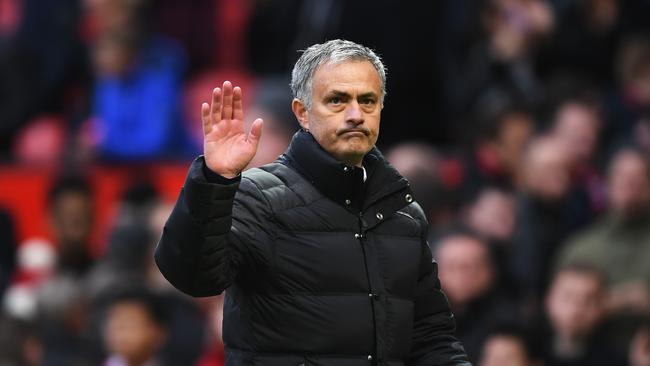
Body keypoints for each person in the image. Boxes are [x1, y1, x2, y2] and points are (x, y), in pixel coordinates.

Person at [155, 39, 470, 365]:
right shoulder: (256, 197)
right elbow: (192, 277)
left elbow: (432, 339)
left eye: (368, 101)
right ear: (302, 113)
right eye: (337, 100)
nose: (355, 115)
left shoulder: (404, 215)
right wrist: (214, 180)